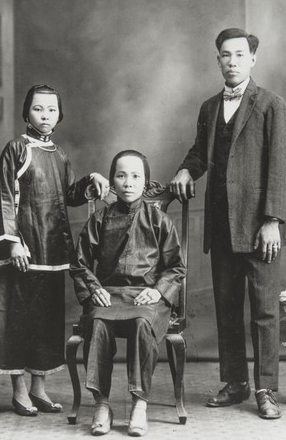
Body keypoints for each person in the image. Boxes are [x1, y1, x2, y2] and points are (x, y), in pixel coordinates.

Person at [170, 28, 286, 420]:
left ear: (253, 59)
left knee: (264, 312)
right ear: (217, 60)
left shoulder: (271, 105)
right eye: (226, 55)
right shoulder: (209, 108)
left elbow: (280, 167)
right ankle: (236, 382)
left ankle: (266, 388)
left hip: (260, 229)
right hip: (222, 227)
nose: (233, 61)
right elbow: (199, 153)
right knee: (226, 307)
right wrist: (187, 171)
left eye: (240, 55)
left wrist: (272, 220)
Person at [0, 84, 109, 416]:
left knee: (46, 321)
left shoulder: (60, 154)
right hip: (23, 250)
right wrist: (12, 242)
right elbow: (5, 198)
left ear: (59, 115)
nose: (45, 115)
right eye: (39, 109)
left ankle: (39, 387)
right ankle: (19, 390)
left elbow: (67, 196)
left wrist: (89, 181)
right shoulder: (16, 149)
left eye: (52, 109)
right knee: (18, 319)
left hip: (53, 251)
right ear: (26, 113)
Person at [70, 150, 186, 436]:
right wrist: (94, 288)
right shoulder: (100, 218)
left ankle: (139, 404)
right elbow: (80, 263)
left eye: (136, 176)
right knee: (97, 322)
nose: (128, 182)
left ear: (145, 183)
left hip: (147, 298)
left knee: (141, 323)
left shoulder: (158, 220)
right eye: (121, 176)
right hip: (108, 295)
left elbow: (175, 267)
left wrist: (158, 292)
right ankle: (102, 404)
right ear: (112, 181)